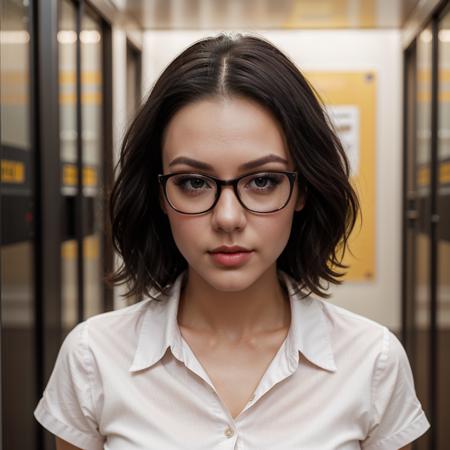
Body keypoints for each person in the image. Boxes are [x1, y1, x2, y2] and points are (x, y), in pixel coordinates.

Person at [34, 33, 430, 450]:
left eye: (263, 181)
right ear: (159, 196)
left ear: (303, 191)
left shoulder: (373, 360)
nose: (227, 218)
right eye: (193, 182)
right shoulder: (93, 356)